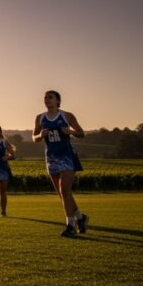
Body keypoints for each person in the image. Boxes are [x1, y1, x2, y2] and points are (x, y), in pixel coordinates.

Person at [33, 90, 89, 238]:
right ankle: (81, 218)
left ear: (58, 100)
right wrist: (40, 135)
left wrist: (70, 131)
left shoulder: (67, 116)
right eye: (45, 97)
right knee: (63, 194)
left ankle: (70, 226)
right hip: (51, 158)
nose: (47, 99)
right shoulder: (40, 118)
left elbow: (82, 133)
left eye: (50, 97)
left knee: (65, 190)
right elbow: (34, 138)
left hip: (67, 156)